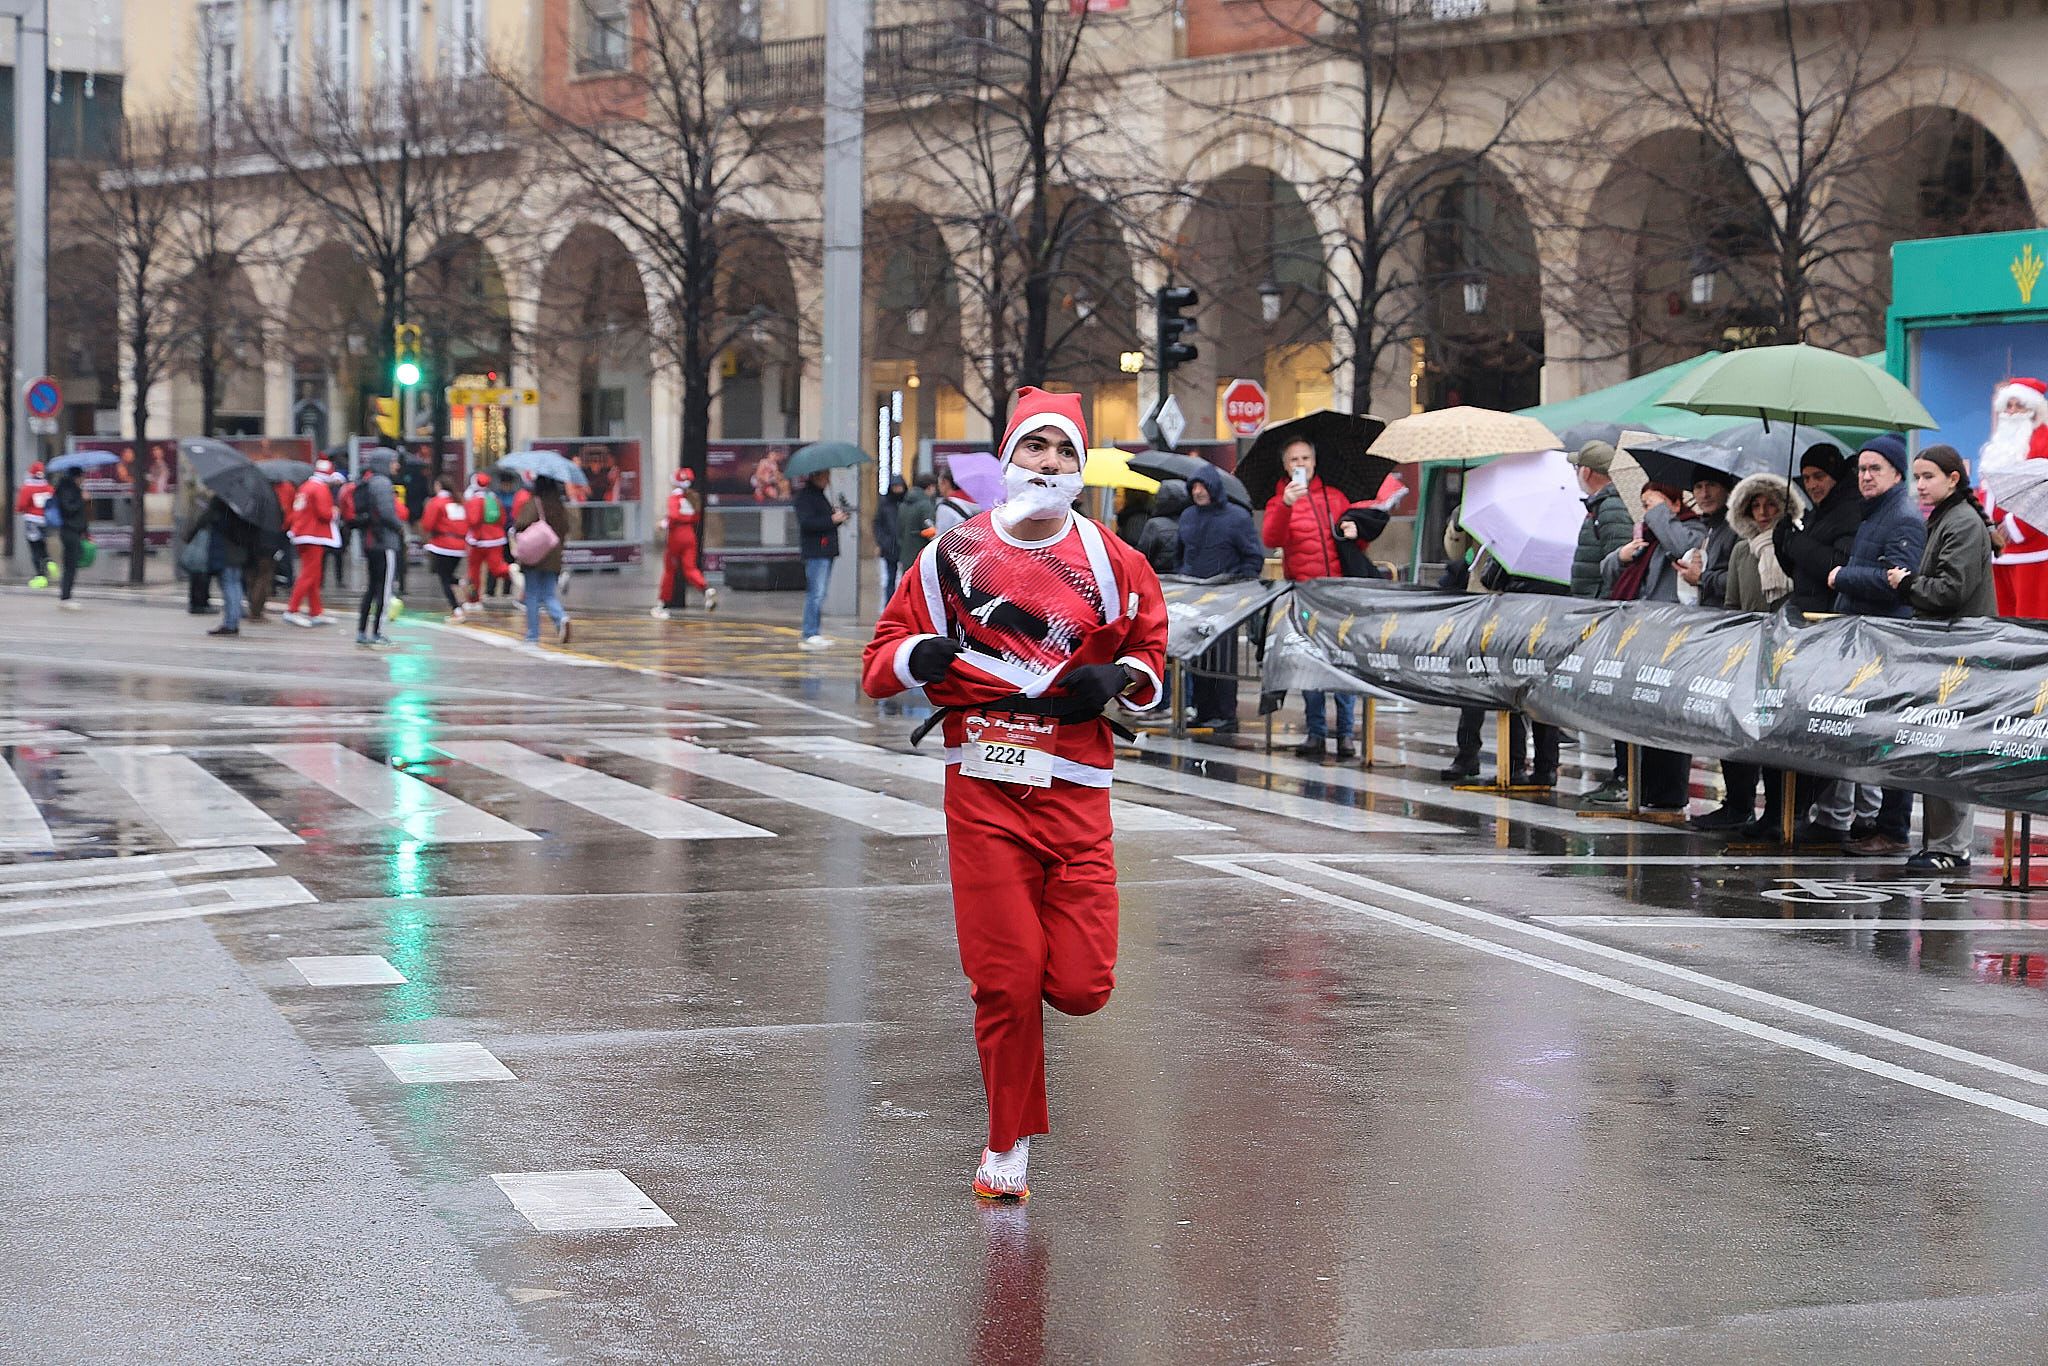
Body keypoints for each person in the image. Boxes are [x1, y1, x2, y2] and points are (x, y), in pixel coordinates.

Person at [860, 386, 1167, 1202]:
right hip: (984, 788)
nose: (1051, 464)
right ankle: (1006, 1143)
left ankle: (1023, 1070)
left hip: (1076, 789)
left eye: (1066, 452)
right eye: (1037, 448)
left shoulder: (1116, 562)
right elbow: (880, 658)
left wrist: (1121, 678)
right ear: (1008, 459)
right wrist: (919, 657)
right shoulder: (949, 556)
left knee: (1079, 985)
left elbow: (1151, 658)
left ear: (1082, 467)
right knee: (1004, 976)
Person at [1886, 445, 1998, 871]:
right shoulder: (1946, 519)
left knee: (1950, 748)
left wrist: (1906, 583)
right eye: (1916, 477)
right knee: (1936, 745)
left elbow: (1949, 591)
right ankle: (1942, 844)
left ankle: (1952, 847)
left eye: (1928, 476)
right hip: (1943, 653)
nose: (1920, 485)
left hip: (1961, 656)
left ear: (1953, 479)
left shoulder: (1963, 523)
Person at [1821, 434, 1926, 857]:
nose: (1865, 476)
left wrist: (1841, 576)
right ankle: (1877, 824)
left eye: (1874, 469)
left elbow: (1897, 581)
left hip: (1889, 646)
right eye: (1862, 469)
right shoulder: (1875, 512)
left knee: (1891, 738)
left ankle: (1893, 829)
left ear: (1896, 473)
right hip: (1866, 644)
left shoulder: (1901, 516)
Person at [1694, 473, 1796, 836]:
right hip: (1747, 652)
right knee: (1735, 729)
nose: (1764, 512)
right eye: (1756, 505)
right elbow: (1733, 604)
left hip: (1786, 655)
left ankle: (1777, 811)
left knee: (1776, 738)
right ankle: (1737, 803)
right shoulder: (1741, 550)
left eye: (1771, 504)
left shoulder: (1792, 546)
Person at [1597, 481, 1700, 811]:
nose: (1646, 510)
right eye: (1643, 504)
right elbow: (1612, 574)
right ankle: (1644, 784)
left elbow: (1680, 548)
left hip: (1671, 637)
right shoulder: (1649, 534)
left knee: (1667, 712)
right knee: (1640, 710)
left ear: (1673, 503)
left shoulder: (1689, 528)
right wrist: (1620, 556)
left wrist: (1658, 514)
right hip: (1640, 635)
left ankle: (1670, 789)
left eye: (1652, 502)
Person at [1261, 438, 1359, 759]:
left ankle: (1346, 734)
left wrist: (1354, 534)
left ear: (1314, 463)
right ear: (1285, 466)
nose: (1300, 464)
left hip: (1339, 595)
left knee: (1343, 665)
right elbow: (1271, 538)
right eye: (1293, 459)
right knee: (1311, 666)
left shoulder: (1334, 497)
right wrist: (1286, 504)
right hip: (1304, 595)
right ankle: (1315, 731)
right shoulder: (1280, 500)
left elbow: (1354, 548)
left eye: (1305, 457)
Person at [1567, 441, 1635, 803]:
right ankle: (1621, 772)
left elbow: (1618, 564)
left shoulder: (1610, 507)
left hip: (1609, 618)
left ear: (1588, 472)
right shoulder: (1602, 506)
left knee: (1617, 699)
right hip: (1600, 613)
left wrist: (1604, 610)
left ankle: (1625, 775)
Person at [1177, 464, 1266, 731]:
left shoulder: (1236, 517)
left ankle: (1225, 712)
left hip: (1226, 598)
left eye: (1202, 486)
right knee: (1196, 657)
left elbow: (1253, 556)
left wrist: (1239, 583)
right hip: (1194, 597)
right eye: (1194, 487)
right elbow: (1180, 553)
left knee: (1221, 660)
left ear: (1214, 488)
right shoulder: (1188, 516)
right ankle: (1204, 711)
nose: (1198, 491)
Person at [1977, 377, 2048, 618]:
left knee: (2031, 618)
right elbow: (1986, 490)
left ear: (2033, 409)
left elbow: (2043, 493)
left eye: (2020, 406)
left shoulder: (2044, 442)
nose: (2013, 412)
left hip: (2034, 546)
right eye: (2009, 405)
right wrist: (1987, 524)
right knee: (2003, 618)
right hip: (1999, 548)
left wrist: (2013, 525)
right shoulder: (1998, 445)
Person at [1772, 444, 1861, 615]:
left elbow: (1840, 567)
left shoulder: (1851, 512)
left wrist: (1796, 543)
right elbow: (1798, 571)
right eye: (1806, 478)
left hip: (1830, 615)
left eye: (1819, 476)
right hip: (1808, 611)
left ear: (1835, 475)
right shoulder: (1815, 514)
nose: (1812, 485)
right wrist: (1781, 543)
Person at [514, 474, 573, 645]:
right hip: (554, 557)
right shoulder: (560, 507)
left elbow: (520, 524)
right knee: (548, 594)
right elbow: (567, 529)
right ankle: (561, 617)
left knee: (531, 594)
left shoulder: (535, 503)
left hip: (534, 555)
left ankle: (532, 635)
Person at [794, 469, 848, 650]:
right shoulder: (805, 497)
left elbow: (824, 520)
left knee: (820, 593)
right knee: (815, 594)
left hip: (826, 551)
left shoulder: (820, 496)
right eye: (826, 477)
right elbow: (808, 523)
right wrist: (831, 519)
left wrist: (837, 518)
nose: (828, 481)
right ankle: (809, 632)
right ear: (816, 477)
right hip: (816, 551)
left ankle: (814, 632)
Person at [353, 457, 404, 646]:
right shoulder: (383, 483)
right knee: (384, 589)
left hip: (371, 541)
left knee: (371, 588)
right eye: (393, 462)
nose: (396, 465)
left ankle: (362, 630)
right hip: (384, 542)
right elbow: (386, 512)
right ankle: (377, 631)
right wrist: (399, 527)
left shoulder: (368, 482)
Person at [283, 460, 341, 626]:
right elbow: (325, 514)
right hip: (314, 535)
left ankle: (316, 611)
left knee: (312, 575)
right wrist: (334, 512)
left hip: (302, 534)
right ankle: (292, 609)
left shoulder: (306, 486)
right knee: (309, 574)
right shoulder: (320, 488)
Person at [653, 467, 714, 618]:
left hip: (676, 536)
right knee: (690, 568)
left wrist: (663, 524)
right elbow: (695, 518)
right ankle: (706, 589)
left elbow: (673, 516)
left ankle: (662, 603)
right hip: (690, 535)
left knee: (669, 570)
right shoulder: (693, 499)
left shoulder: (674, 499)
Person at [196, 494, 259, 637]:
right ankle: (234, 618)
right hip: (240, 549)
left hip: (225, 550)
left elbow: (207, 519)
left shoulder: (221, 501)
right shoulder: (245, 501)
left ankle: (231, 622)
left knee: (229, 584)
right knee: (235, 583)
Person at [417, 476, 471, 618]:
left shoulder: (436, 502)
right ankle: (462, 582)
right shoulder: (459, 502)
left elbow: (427, 524)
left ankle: (456, 608)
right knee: (448, 574)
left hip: (442, 545)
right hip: (460, 547)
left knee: (444, 578)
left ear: (439, 486)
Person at [463, 470, 511, 608]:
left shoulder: (474, 501)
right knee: (498, 568)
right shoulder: (494, 499)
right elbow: (502, 519)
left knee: (473, 572)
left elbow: (473, 520)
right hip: (496, 540)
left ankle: (473, 600)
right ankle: (518, 574)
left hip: (477, 541)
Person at [49, 468, 87, 611]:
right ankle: (65, 597)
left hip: (74, 531)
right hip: (69, 531)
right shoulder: (67, 490)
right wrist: (81, 499)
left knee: (72, 564)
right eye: (81, 477)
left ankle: (66, 596)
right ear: (75, 477)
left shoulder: (72, 489)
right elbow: (69, 509)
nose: (83, 480)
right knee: (70, 565)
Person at [1136, 479, 1189, 575]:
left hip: (1158, 577)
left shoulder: (1154, 525)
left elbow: (1142, 557)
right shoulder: (1192, 522)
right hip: (1184, 579)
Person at [16, 461, 53, 588]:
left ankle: (40, 577)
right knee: (42, 545)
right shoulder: (48, 487)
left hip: (32, 521)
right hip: (46, 521)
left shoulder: (27, 488)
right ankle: (49, 562)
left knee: (34, 549)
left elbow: (21, 506)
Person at [898, 473, 937, 578]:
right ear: (930, 487)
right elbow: (931, 531)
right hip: (920, 556)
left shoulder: (903, 505)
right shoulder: (925, 505)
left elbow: (899, 531)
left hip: (905, 555)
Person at [873, 476, 905, 603]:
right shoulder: (885, 504)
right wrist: (882, 541)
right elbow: (877, 524)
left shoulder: (906, 503)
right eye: (895, 487)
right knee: (890, 578)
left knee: (905, 579)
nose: (897, 490)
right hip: (889, 546)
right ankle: (889, 607)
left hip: (904, 546)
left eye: (899, 487)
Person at [935, 468, 979, 535]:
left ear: (945, 482)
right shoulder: (979, 504)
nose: (938, 487)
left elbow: (941, 536)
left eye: (939, 483)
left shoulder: (946, 507)